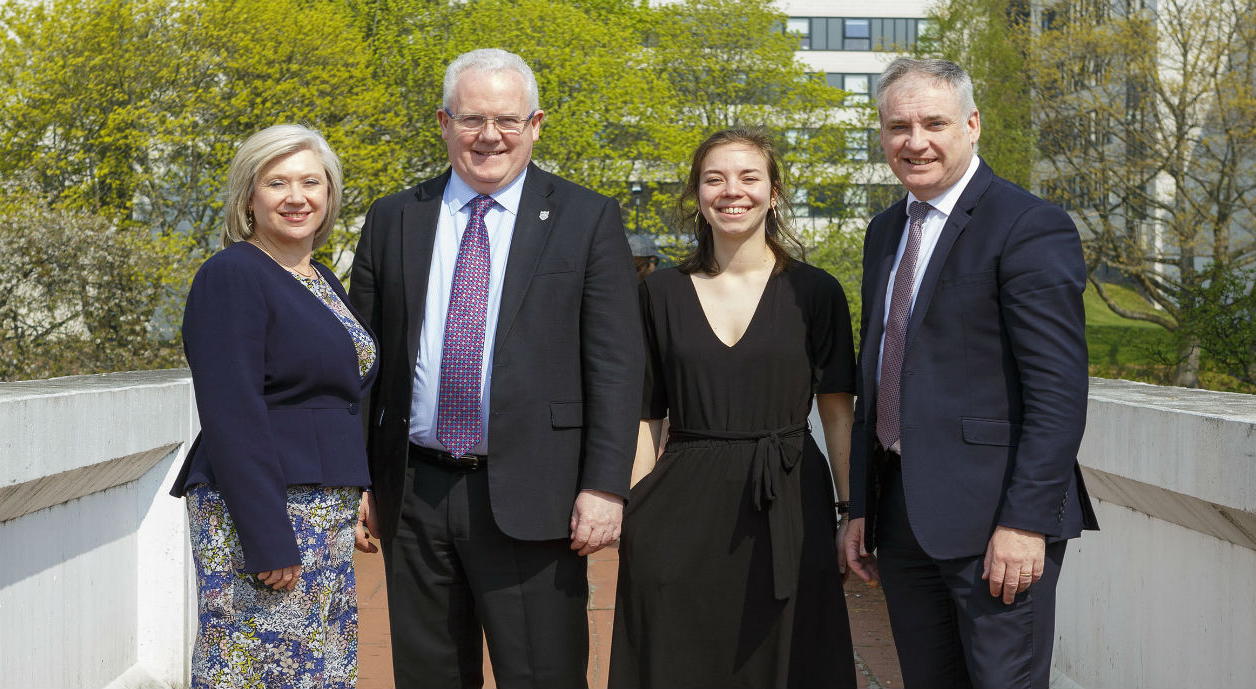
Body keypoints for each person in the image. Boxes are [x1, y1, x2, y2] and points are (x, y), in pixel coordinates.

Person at [348, 48, 645, 689]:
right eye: (472, 119)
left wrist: (605, 486)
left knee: (543, 674)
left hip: (538, 493)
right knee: (428, 675)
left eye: (508, 120)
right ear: (443, 122)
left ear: (536, 125)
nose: (490, 136)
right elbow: (361, 363)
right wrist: (357, 477)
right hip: (415, 491)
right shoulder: (393, 218)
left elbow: (618, 366)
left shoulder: (586, 218)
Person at [841, 58, 1098, 689]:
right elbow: (877, 376)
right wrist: (860, 508)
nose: (915, 141)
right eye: (898, 126)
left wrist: (1026, 522)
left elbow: (1058, 394)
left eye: (934, 122)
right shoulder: (884, 232)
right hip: (903, 518)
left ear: (972, 124)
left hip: (996, 523)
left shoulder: (1028, 225)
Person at [608, 129, 857, 688]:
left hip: (791, 495)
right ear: (696, 194)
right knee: (679, 654)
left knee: (792, 655)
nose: (731, 191)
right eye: (713, 178)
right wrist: (637, 515)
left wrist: (848, 513)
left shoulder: (816, 292)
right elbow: (645, 415)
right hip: (681, 502)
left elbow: (838, 412)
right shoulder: (660, 293)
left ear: (774, 192)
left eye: (749, 177)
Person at [167, 124, 378, 689]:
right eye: (276, 182)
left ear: (329, 195)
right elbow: (231, 413)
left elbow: (332, 402)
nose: (296, 196)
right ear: (248, 197)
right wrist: (267, 536)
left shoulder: (320, 278)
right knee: (259, 668)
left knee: (320, 667)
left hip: (321, 507)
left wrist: (354, 486)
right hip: (264, 511)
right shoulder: (232, 274)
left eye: (311, 181)